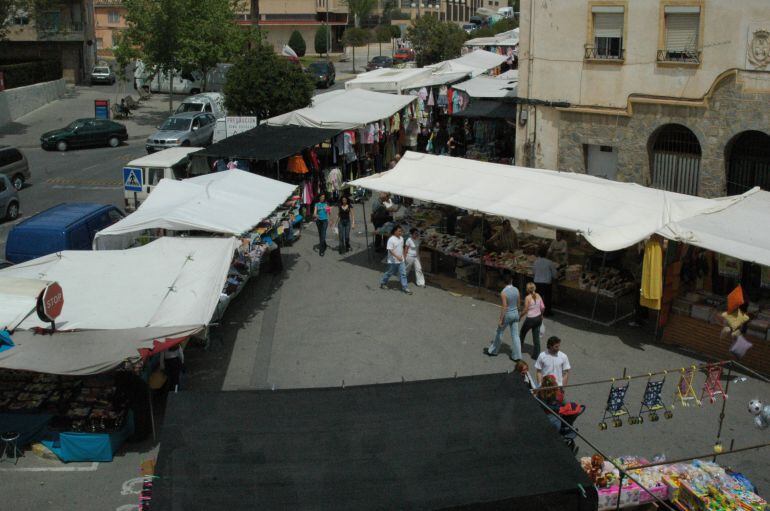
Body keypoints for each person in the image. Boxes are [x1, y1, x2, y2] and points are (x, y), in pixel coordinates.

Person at [484, 272, 522, 361]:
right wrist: (518, 314)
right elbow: (519, 304)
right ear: (511, 280)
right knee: (516, 335)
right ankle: (517, 356)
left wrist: (501, 319)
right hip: (515, 313)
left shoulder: (503, 292)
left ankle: (493, 351)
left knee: (499, 332)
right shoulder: (516, 289)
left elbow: (504, 307)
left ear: (503, 282)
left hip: (508, 314)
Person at [380, 225, 412, 294]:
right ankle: (383, 283)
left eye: (401, 231)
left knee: (403, 273)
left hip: (401, 260)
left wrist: (403, 256)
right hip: (393, 261)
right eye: (399, 231)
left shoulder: (401, 238)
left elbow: (402, 247)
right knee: (389, 273)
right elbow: (390, 250)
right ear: (395, 232)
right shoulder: (391, 239)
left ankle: (405, 287)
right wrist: (397, 257)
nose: (400, 232)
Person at [520, 282, 545, 358]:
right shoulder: (538, 295)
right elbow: (543, 307)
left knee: (522, 333)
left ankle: (518, 349)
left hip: (530, 319)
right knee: (536, 336)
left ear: (527, 290)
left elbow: (525, 310)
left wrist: (520, 316)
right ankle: (536, 355)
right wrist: (541, 315)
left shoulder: (527, 298)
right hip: (538, 318)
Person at [533, 246, 557, 316]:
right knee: (547, 298)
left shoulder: (536, 262)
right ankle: (547, 312)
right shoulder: (550, 262)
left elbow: (534, 272)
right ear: (546, 254)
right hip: (546, 283)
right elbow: (555, 274)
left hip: (537, 282)